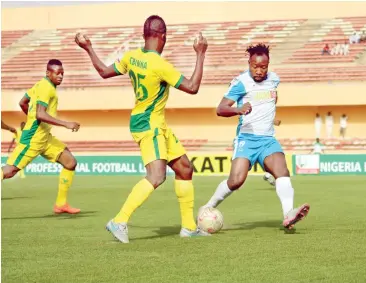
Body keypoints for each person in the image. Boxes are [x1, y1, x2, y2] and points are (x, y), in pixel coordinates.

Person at [75, 15, 209, 243]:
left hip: (153, 122)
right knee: (156, 176)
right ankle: (119, 220)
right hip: (150, 124)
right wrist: (200, 53)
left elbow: (104, 72)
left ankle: (188, 227)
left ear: (145, 34)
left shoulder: (132, 57)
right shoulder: (160, 65)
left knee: (185, 168)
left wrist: (88, 48)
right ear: (162, 37)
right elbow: (193, 87)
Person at [201, 43, 310, 231]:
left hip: (267, 140)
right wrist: (238, 109)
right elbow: (220, 109)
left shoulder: (274, 80)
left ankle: (288, 215)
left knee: (282, 172)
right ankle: (207, 207)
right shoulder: (240, 82)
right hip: (247, 139)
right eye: (255, 66)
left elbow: (271, 99)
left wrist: (269, 117)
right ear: (249, 63)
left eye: (263, 67)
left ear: (268, 65)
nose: (259, 70)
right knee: (236, 181)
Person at [1, 60, 81, 214]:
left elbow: (23, 102)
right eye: (57, 73)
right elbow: (40, 114)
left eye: (62, 73)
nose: (60, 76)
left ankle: (61, 204)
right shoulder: (46, 88)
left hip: (45, 138)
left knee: (70, 162)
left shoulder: (41, 85)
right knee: (10, 171)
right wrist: (66, 124)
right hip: (33, 138)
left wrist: (31, 118)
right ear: (48, 73)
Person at [263, 119, 281, 186]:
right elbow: (278, 122)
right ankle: (268, 175)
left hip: (268, 141)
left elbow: (278, 122)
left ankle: (268, 174)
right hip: (267, 141)